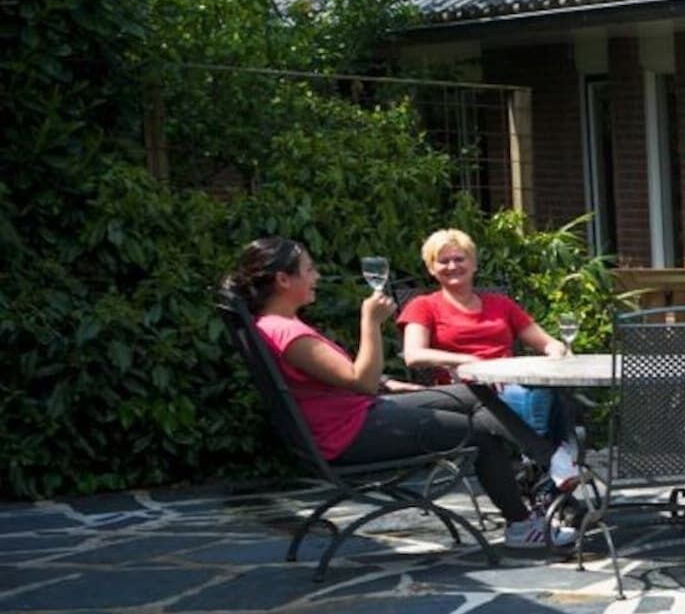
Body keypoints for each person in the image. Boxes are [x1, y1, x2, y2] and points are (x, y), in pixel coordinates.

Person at [222, 235, 569, 549]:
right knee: (479, 434)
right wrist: (370, 323)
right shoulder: (288, 333)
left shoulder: (277, 326)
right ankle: (523, 522)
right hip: (351, 432)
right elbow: (361, 381)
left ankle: (550, 460)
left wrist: (389, 383)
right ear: (284, 280)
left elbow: (335, 381)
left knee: (477, 393)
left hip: (357, 416)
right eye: (309, 270)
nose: (316, 277)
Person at [395, 227, 580, 490]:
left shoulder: (500, 304)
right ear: (431, 269)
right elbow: (414, 355)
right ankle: (553, 462)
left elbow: (547, 342)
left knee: (545, 390)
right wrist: (464, 360)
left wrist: (555, 351)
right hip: (465, 390)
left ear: (474, 264)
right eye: (443, 260)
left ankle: (544, 467)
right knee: (539, 398)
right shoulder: (423, 306)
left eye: (460, 259)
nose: (452, 266)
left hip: (510, 383)